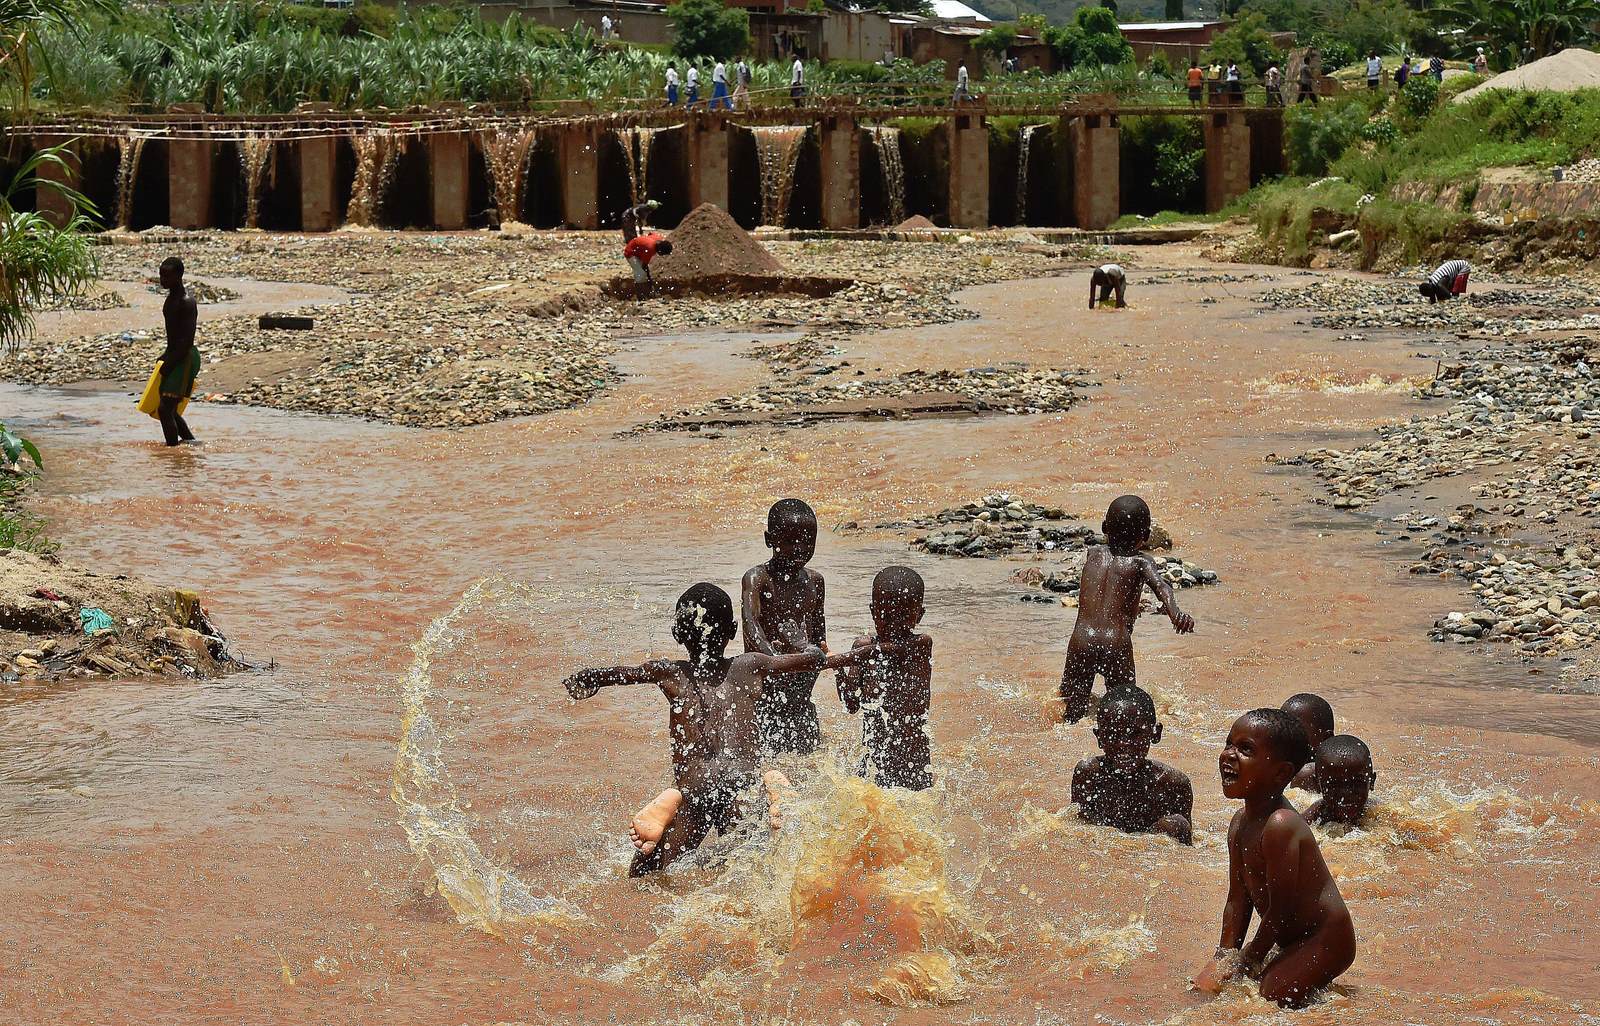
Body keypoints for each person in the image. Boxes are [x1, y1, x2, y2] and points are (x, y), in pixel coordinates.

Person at [563, 584, 870, 875]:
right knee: (751, 863)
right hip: (742, 783)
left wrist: (588, 678)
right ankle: (771, 786)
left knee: (643, 875)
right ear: (733, 631)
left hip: (696, 787)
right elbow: (813, 661)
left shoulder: (671, 673)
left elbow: (621, 674)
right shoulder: (751, 665)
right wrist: (807, 646)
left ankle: (672, 800)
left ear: (677, 634)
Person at [1193, 709, 1357, 1008]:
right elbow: (1238, 899)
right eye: (1229, 743)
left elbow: (1282, 907)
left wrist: (1250, 959)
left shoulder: (1281, 825)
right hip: (1287, 935)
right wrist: (1224, 957)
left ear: (1281, 773)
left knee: (1271, 995)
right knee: (1206, 988)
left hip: (1327, 938)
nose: (1228, 755)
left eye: (1245, 749)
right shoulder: (1239, 824)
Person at [1059, 495, 1196, 724]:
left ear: (1104, 528)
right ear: (1146, 536)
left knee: (1070, 711)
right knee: (1123, 710)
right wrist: (1175, 614)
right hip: (1116, 643)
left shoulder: (1093, 554)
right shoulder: (1141, 562)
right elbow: (1162, 587)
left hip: (1081, 640)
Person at [742, 498, 828, 755]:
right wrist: (779, 660)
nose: (800, 549)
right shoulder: (758, 579)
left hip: (802, 691)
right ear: (769, 540)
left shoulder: (815, 581)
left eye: (808, 541)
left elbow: (820, 639)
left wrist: (809, 655)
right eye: (790, 541)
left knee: (809, 759)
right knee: (765, 758)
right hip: (765, 691)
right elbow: (751, 629)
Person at [836, 567, 934, 791]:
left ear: (919, 615)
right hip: (873, 762)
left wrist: (833, 660)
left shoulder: (921, 645)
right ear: (873, 611)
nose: (894, 624)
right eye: (886, 615)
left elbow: (878, 651)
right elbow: (850, 705)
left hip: (914, 765)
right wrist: (839, 671)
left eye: (903, 616)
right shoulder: (861, 647)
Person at [1072, 686, 1194, 844]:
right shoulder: (1089, 774)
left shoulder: (1172, 784)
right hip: (1104, 850)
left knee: (1177, 824)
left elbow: (1186, 847)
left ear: (1155, 733)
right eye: (1112, 734)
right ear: (1099, 737)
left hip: (1151, 854)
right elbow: (1077, 831)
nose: (1123, 743)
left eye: (1135, 733)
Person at [154, 256, 199, 447]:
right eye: (161, 276)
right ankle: (190, 444)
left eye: (167, 276)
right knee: (169, 409)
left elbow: (186, 341)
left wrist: (170, 362)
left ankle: (172, 452)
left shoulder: (186, 302)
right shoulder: (170, 299)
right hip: (174, 355)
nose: (162, 280)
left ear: (179, 276)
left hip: (185, 358)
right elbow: (172, 337)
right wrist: (165, 356)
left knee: (165, 409)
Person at [1304, 736, 1377, 828]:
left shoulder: (1382, 814)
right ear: (1317, 785)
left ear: (1371, 781)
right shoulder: (1306, 824)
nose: (1345, 793)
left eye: (1356, 782)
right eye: (1334, 784)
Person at [1281, 692, 1335, 790]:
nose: (1287, 737)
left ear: (1326, 738)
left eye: (1297, 732)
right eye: (1283, 729)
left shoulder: (1309, 775)